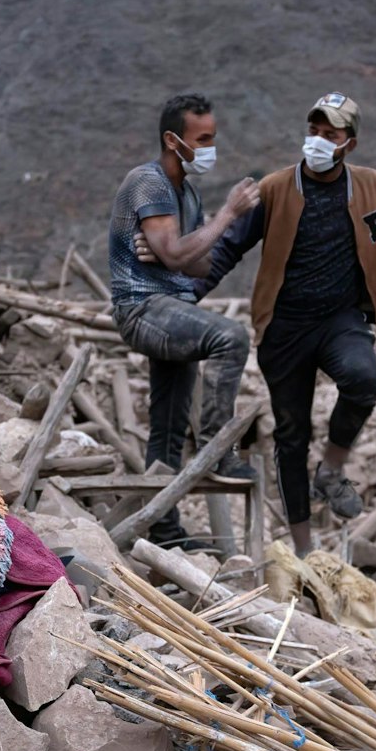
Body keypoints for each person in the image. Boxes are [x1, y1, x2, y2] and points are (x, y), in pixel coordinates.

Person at [189, 92, 376, 556]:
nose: (319, 141)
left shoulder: (374, 186)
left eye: (331, 134)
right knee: (291, 435)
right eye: (314, 131)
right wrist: (187, 295)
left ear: (350, 143)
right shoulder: (275, 189)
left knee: (363, 378)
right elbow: (229, 248)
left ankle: (332, 468)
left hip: (341, 319)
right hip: (285, 326)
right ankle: (303, 548)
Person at [107, 92, 262, 549]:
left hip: (173, 309)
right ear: (173, 140)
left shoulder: (187, 194)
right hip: (143, 308)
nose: (211, 147)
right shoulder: (149, 183)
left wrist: (174, 252)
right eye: (204, 139)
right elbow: (180, 253)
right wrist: (227, 216)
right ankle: (218, 448)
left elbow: (198, 265)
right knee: (231, 337)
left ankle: (166, 532)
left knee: (168, 428)